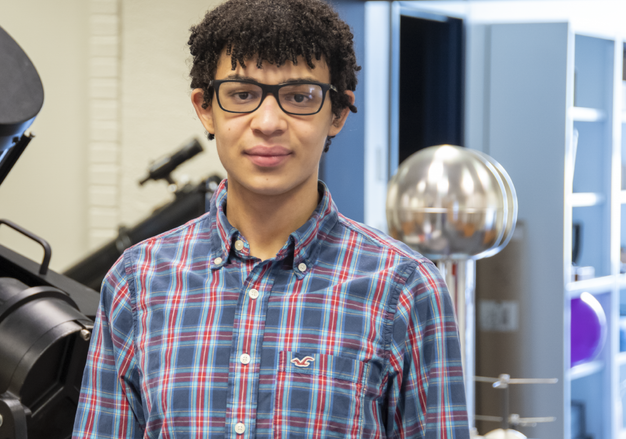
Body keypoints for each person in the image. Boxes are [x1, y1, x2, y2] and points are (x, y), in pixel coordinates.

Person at [73, 0, 468, 437]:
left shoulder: (405, 289)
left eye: (299, 97)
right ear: (205, 108)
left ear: (337, 112)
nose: (267, 122)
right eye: (242, 95)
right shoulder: (138, 282)